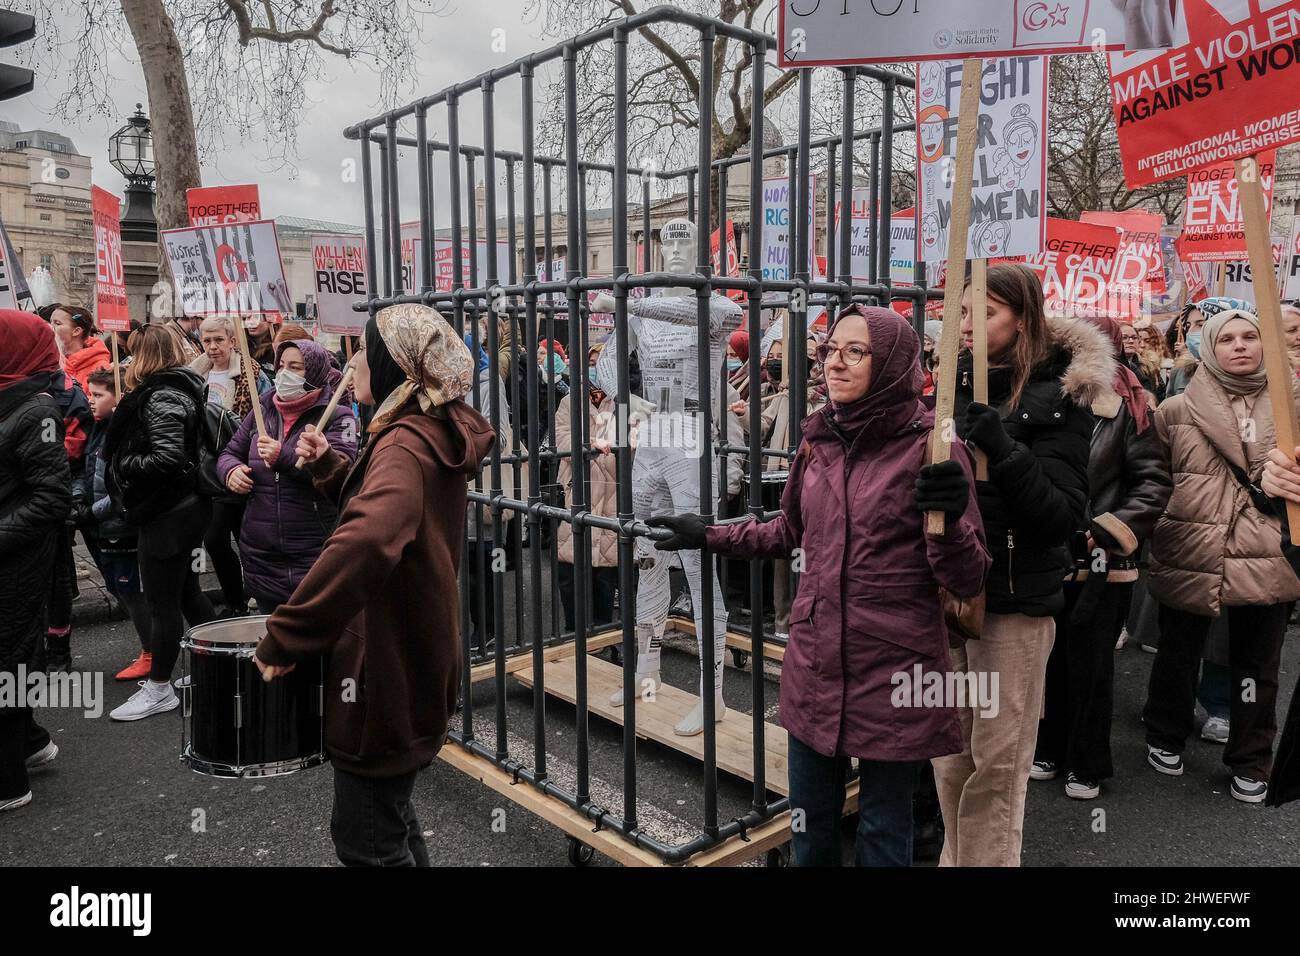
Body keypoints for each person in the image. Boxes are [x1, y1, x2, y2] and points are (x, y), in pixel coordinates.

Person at [649, 306, 989, 865]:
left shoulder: (932, 448)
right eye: (832, 349)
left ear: (893, 364)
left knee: (883, 833)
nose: (836, 362)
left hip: (895, 669)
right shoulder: (819, 437)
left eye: (856, 352)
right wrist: (709, 533)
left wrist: (950, 521)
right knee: (810, 831)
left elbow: (968, 577)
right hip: (816, 663)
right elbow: (787, 532)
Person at [254, 304, 493, 867]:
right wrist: (331, 469)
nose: (353, 362)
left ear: (396, 367)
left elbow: (369, 538)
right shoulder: (424, 428)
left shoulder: (404, 442)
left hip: (385, 667)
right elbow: (396, 515)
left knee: (368, 841)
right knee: (392, 820)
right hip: (410, 654)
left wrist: (290, 632)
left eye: (364, 350)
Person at [931, 263, 1093, 867]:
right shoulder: (945, 391)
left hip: (1013, 606)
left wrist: (1003, 450)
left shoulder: (1060, 399)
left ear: (1022, 319)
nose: (969, 326)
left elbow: (1061, 519)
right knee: (951, 759)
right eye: (964, 313)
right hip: (949, 599)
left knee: (997, 766)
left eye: (986, 314)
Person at [1142, 303, 1300, 803]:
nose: (1239, 346)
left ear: (1264, 345)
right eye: (1227, 339)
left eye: (1249, 338)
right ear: (1208, 347)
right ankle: (1166, 732)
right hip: (1193, 544)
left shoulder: (1293, 404)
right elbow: (1155, 478)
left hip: (1268, 550)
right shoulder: (1174, 411)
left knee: (1257, 665)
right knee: (1179, 650)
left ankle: (1251, 758)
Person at [1032, 316, 1172, 799]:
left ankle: (1087, 762)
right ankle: (1048, 746)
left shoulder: (1132, 408)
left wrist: (1108, 528)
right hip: (1048, 553)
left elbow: (1153, 482)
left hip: (1103, 561)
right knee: (1045, 660)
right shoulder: (1042, 396)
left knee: (1091, 665)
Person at [105, 325, 216, 721]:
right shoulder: (171, 389)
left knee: (162, 602)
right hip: (179, 509)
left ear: (147, 356)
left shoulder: (162, 394)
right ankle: (219, 666)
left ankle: (159, 688)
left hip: (170, 512)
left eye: (134, 353)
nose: (129, 361)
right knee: (186, 592)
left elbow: (168, 458)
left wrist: (125, 464)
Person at [217, 339, 358, 614]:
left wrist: (283, 457)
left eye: (296, 367)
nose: (284, 373)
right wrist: (231, 472)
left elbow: (340, 474)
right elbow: (229, 453)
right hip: (261, 553)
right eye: (282, 365)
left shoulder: (338, 417)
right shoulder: (264, 408)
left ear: (315, 372)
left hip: (313, 550)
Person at [0, 312, 71, 812]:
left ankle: (7, 782)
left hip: (18, 561)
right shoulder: (13, 399)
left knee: (6, 661)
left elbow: (51, 499)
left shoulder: (38, 410)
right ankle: (29, 742)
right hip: (10, 554)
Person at [191, 316, 273, 615]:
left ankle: (255, 595)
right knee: (215, 539)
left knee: (245, 538)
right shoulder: (194, 375)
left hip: (241, 466)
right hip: (207, 471)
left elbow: (265, 419)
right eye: (207, 341)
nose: (212, 347)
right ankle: (236, 601)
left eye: (219, 340)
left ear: (232, 341)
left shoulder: (252, 375)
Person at [77, 367, 154, 680]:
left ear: (119, 396)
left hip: (120, 526)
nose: (91, 402)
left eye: (98, 395)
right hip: (101, 525)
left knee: (132, 591)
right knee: (119, 588)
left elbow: (120, 489)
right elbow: (88, 469)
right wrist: (78, 498)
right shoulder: (98, 426)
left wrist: (91, 511)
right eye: (89, 394)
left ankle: (152, 652)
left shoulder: (124, 433)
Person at [554, 344, 619, 631]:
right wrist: (587, 446)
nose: (595, 369)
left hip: (613, 493)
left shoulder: (625, 402)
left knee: (606, 570)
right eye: (591, 363)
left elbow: (637, 443)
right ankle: (573, 629)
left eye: (600, 363)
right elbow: (560, 440)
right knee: (571, 565)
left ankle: (603, 630)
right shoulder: (570, 401)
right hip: (577, 490)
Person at [47, 303, 111, 394]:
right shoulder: (48, 360)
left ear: (76, 331)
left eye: (57, 323)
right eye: (50, 322)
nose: (50, 327)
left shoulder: (101, 368)